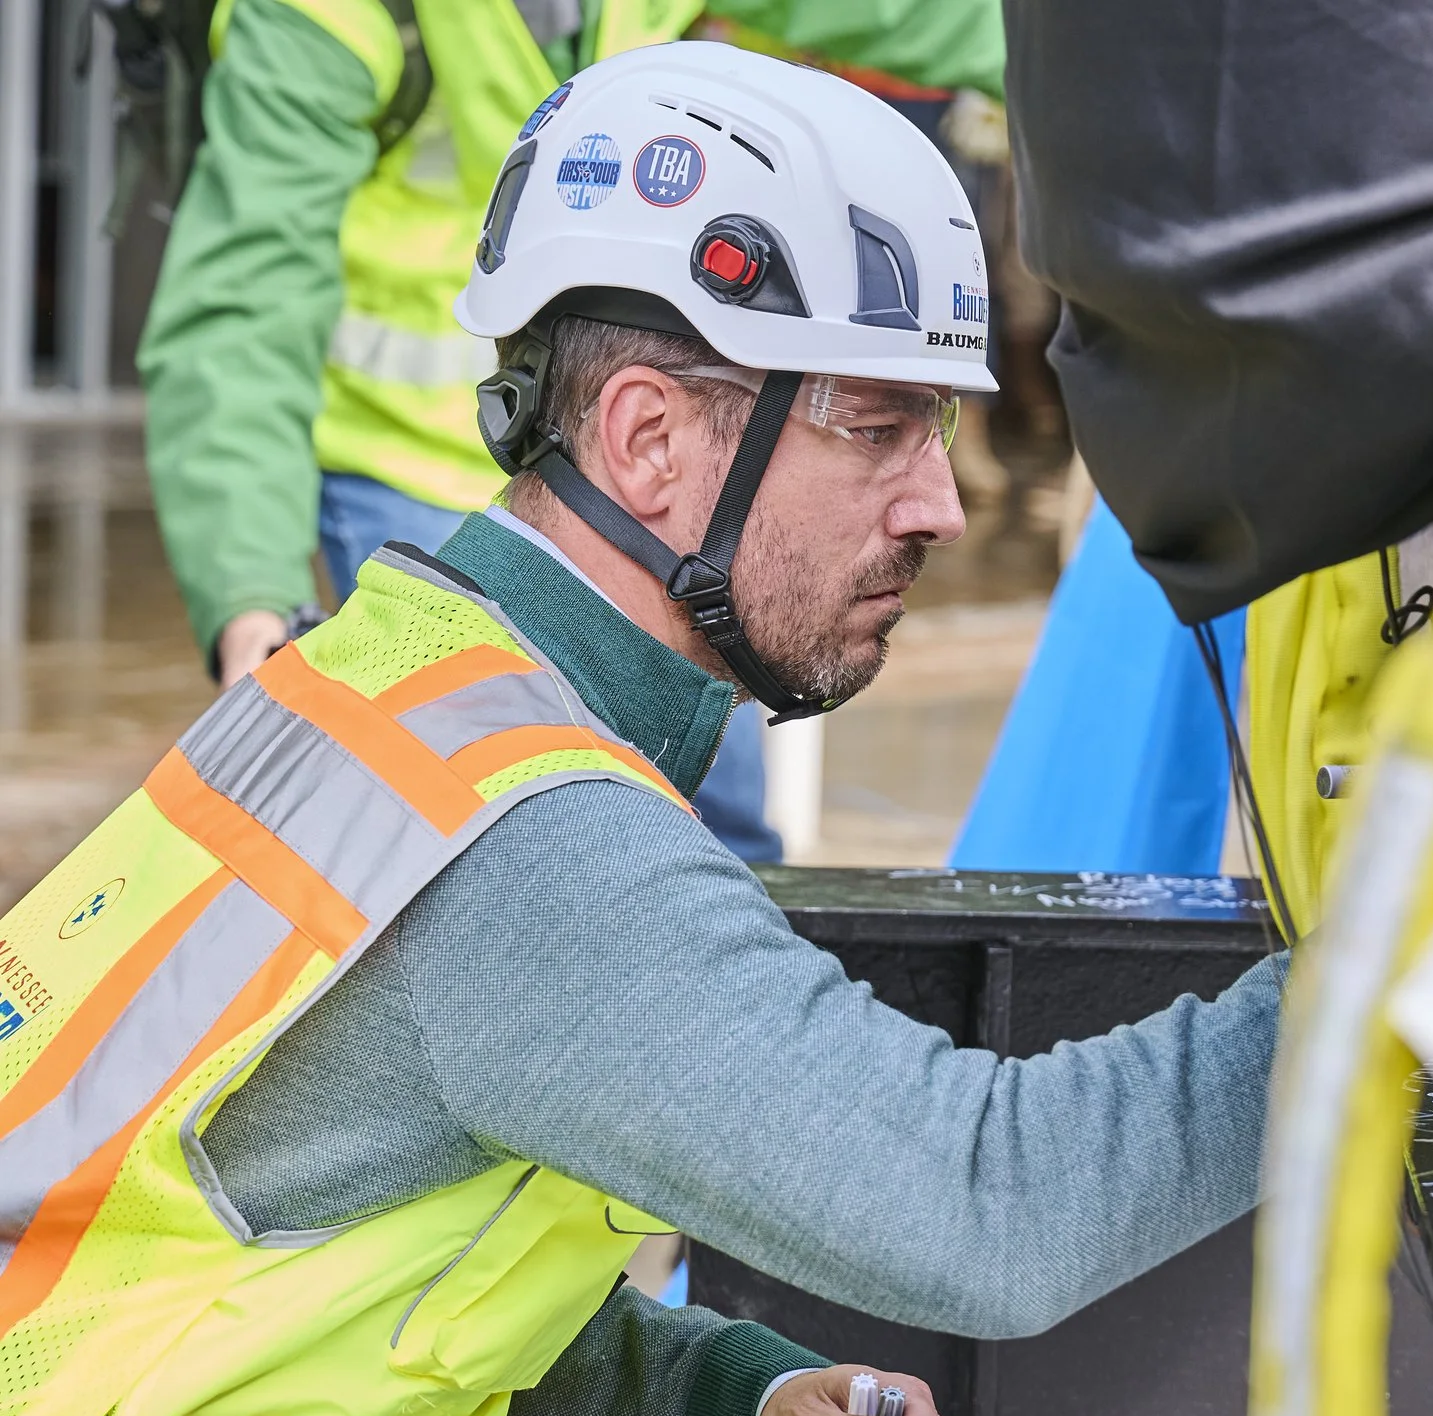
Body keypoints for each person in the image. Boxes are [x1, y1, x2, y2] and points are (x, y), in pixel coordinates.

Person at [0, 44, 1279, 1416]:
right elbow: (992, 1205)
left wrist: (738, 1399)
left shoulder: (396, 676)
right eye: (879, 426)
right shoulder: (540, 850)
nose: (940, 505)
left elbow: (398, 1289)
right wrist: (1401, 967)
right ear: (651, 438)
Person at [136, 0, 1003, 862]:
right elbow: (242, 312)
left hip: (662, 477)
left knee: (714, 830)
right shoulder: (332, 17)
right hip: (414, 482)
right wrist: (252, 607)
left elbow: (923, 15)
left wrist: (1074, 60)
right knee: (466, 833)